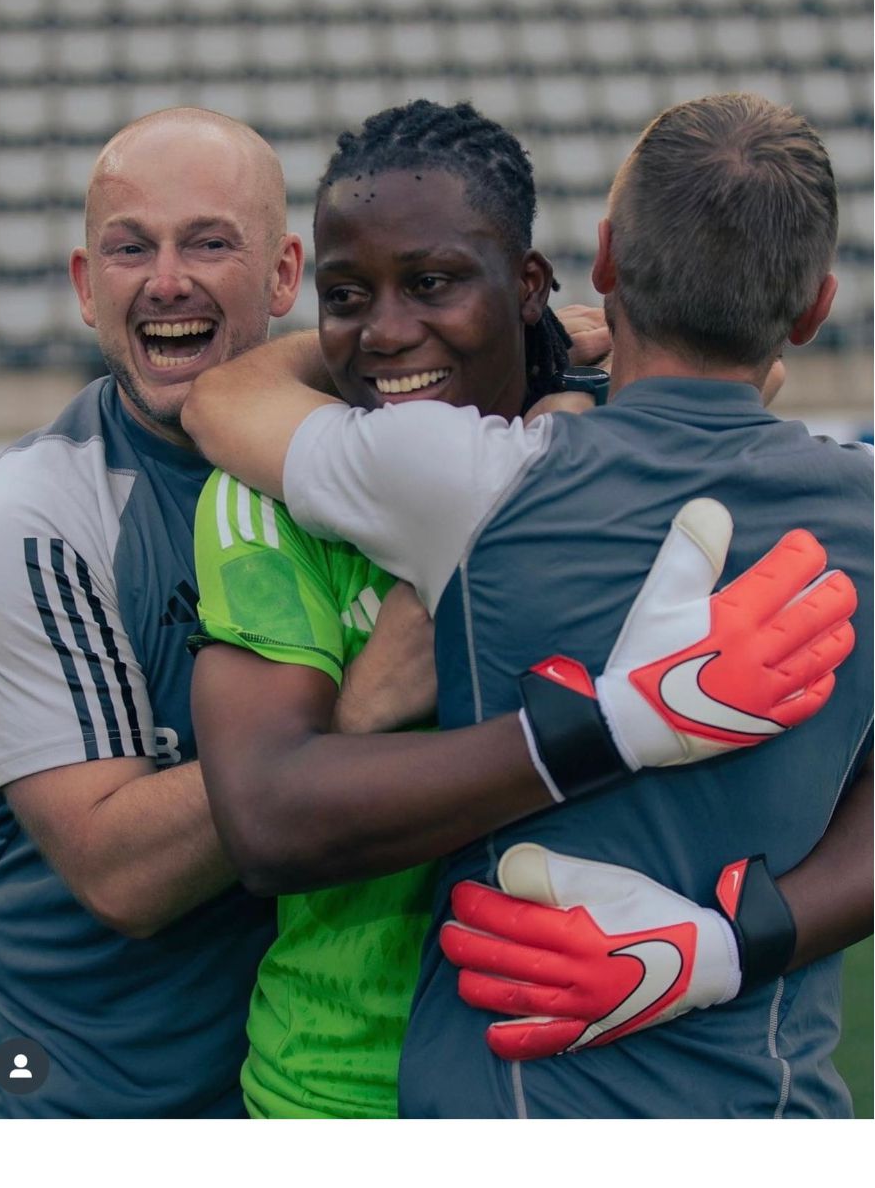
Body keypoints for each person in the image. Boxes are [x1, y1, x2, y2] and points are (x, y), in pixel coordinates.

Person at [184, 97, 871, 1118]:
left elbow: (220, 399)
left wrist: (619, 721)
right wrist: (728, 948)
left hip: (505, 1109)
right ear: (814, 308)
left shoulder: (472, 479)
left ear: (602, 262)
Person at [0, 106, 317, 1118]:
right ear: (88, 287)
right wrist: (359, 706)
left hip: (316, 1091)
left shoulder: (349, 460)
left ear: (285, 273)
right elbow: (120, 871)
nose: (167, 279)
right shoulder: (34, 516)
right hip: (99, 1106)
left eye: (210, 242)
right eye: (131, 248)